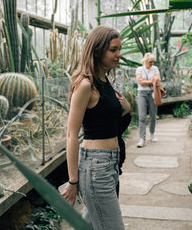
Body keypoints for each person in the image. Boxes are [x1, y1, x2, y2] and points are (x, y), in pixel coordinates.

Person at [60, 26, 131, 230]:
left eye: (119, 49)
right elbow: (72, 134)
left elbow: (108, 124)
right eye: (113, 50)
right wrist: (73, 181)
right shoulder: (85, 85)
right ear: (97, 50)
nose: (118, 55)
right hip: (96, 167)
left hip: (109, 164)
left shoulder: (104, 80)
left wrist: (125, 109)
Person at [135, 52, 160, 147]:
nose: (152, 64)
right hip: (142, 93)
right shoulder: (139, 69)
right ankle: (142, 138)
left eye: (153, 62)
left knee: (153, 115)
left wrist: (150, 82)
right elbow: (140, 82)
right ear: (145, 61)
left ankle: (152, 134)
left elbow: (158, 80)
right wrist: (151, 81)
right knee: (142, 117)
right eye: (150, 62)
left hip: (153, 93)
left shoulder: (155, 69)